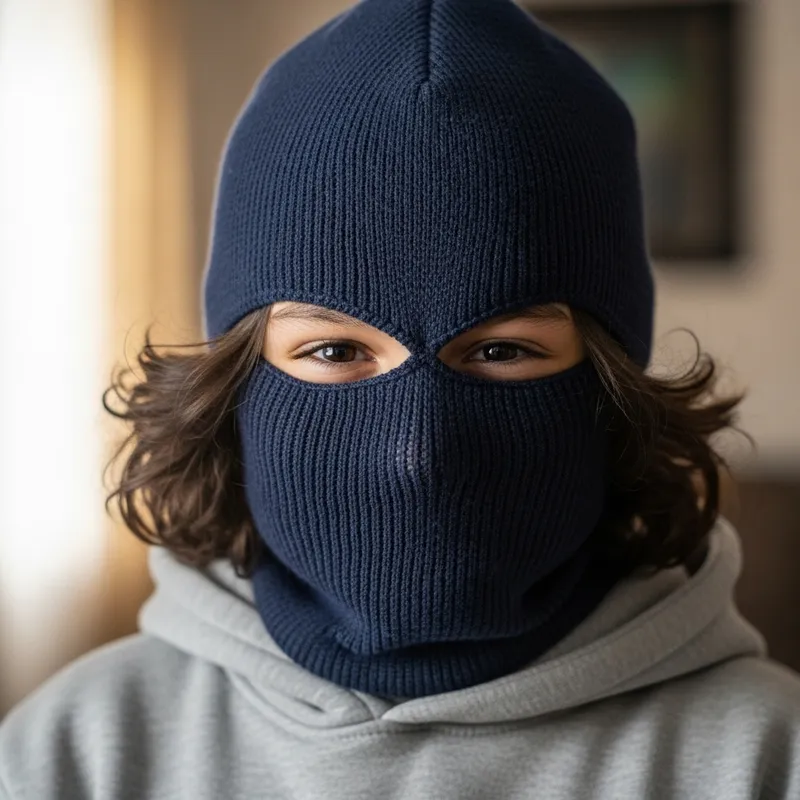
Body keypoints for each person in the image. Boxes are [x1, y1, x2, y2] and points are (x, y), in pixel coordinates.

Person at [2, 0, 799, 797]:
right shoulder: (77, 753)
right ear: (234, 386)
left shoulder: (766, 758)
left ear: (611, 386)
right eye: (334, 351)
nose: (416, 455)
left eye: (502, 350)